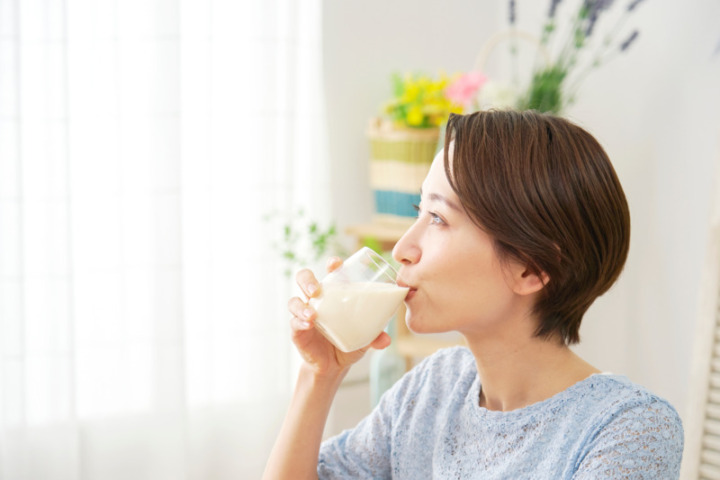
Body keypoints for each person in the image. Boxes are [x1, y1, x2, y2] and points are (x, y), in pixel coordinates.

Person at [263, 110, 684, 479]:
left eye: (438, 218)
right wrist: (320, 373)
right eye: (419, 212)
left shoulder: (628, 430)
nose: (402, 248)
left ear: (531, 268)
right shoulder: (433, 388)